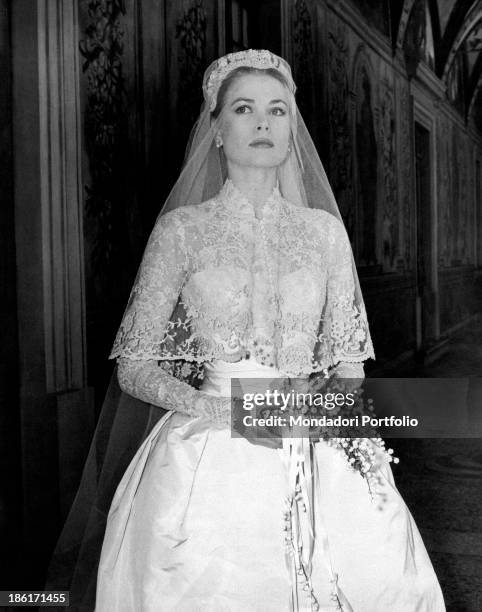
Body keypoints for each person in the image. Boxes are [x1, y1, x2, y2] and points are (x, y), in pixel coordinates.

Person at [53, 50, 446, 611]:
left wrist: (320, 415)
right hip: (207, 443)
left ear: (292, 128)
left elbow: (349, 365)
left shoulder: (324, 233)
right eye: (244, 108)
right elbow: (136, 367)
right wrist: (220, 411)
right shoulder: (181, 232)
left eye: (277, 110)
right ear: (216, 129)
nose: (263, 123)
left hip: (314, 440)